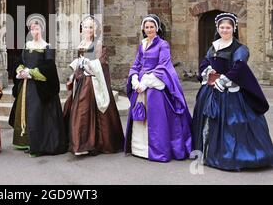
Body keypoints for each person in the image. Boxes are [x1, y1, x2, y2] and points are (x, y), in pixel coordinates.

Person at [192, 12, 273, 170]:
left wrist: (224, 79)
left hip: (231, 90)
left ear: (233, 28)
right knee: (209, 121)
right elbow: (205, 62)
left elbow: (240, 67)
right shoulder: (214, 46)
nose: (224, 30)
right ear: (218, 28)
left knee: (235, 124)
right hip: (211, 90)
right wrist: (207, 70)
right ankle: (209, 154)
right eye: (222, 27)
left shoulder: (240, 48)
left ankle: (237, 157)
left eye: (228, 27)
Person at [124, 14, 192, 162]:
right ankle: (139, 148)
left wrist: (146, 83)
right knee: (140, 114)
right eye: (146, 27)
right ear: (143, 29)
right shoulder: (142, 44)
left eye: (152, 27)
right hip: (141, 85)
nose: (149, 29)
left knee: (155, 118)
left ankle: (156, 150)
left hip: (154, 85)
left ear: (157, 28)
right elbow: (136, 64)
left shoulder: (163, 44)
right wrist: (135, 79)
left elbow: (163, 66)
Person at [63, 15, 124, 155]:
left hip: (93, 81)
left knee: (85, 111)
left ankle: (90, 144)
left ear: (94, 29)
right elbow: (79, 61)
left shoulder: (98, 44)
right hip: (81, 80)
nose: (88, 29)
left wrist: (89, 64)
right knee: (78, 110)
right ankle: (80, 144)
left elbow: (102, 62)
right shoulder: (82, 43)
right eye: (85, 27)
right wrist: (75, 72)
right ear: (82, 28)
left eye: (91, 27)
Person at [8, 14, 67, 156]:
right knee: (25, 113)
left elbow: (49, 67)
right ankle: (26, 142)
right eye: (32, 29)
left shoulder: (47, 46)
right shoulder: (27, 46)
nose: (35, 31)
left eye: (37, 28)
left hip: (40, 88)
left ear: (42, 29)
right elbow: (20, 61)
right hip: (26, 86)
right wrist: (21, 70)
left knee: (36, 114)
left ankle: (38, 145)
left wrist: (32, 73)